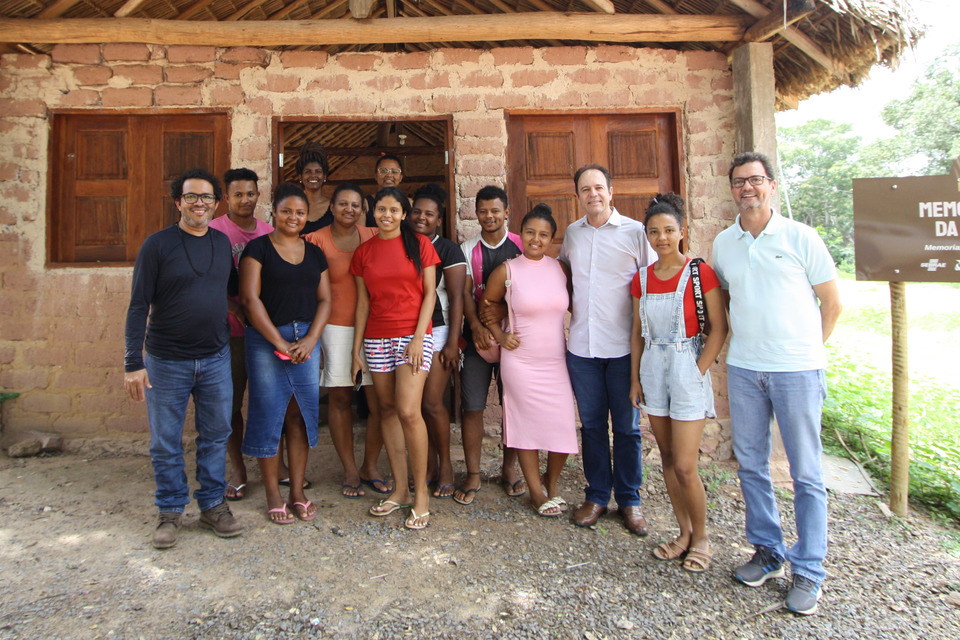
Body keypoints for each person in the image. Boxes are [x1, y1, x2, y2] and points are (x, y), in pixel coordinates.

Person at [714, 152, 841, 615]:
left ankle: (808, 569)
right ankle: (767, 551)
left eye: (755, 180)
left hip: (797, 371)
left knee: (806, 473)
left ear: (771, 185)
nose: (747, 188)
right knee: (752, 466)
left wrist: (806, 351)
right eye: (739, 182)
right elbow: (727, 300)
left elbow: (831, 303)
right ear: (732, 189)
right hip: (746, 369)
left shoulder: (800, 237)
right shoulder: (725, 243)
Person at [124, 168, 243, 549]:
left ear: (215, 204)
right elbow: (138, 305)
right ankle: (170, 511)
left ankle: (212, 504)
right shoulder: (157, 246)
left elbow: (231, 293)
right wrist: (132, 362)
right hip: (166, 360)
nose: (199, 204)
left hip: (214, 357)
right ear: (178, 202)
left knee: (216, 434)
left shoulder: (222, 244)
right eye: (191, 197)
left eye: (207, 198)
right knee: (165, 441)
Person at [629, 193, 728, 572]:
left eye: (669, 230)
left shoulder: (701, 273)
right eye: (654, 232)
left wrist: (698, 370)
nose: (662, 238)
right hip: (653, 368)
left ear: (682, 231)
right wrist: (635, 379)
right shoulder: (641, 279)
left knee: (686, 465)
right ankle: (683, 532)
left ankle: (702, 539)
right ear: (646, 236)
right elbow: (636, 334)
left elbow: (719, 328)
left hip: (687, 366)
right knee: (667, 459)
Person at [560, 164, 655, 535]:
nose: (593, 194)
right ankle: (597, 495)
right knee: (593, 426)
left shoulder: (635, 233)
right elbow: (564, 277)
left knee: (628, 429)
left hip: (624, 349)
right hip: (582, 348)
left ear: (611, 192)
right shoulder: (573, 234)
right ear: (578, 196)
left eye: (599, 187)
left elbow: (652, 283)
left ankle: (630, 501)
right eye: (585, 189)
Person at [239, 182, 332, 524]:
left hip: (306, 339)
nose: (294, 217)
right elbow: (250, 300)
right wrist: (278, 343)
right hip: (267, 340)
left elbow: (325, 300)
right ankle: (273, 493)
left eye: (300, 212)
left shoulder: (314, 252)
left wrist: (310, 339)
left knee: (299, 414)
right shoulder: (257, 250)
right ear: (274, 213)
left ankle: (296, 491)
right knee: (268, 414)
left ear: (307, 217)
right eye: (287, 211)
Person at [351, 187, 440, 530]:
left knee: (407, 410)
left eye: (394, 210)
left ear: (404, 214)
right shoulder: (364, 253)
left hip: (412, 337)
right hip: (376, 338)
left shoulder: (420, 245)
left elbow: (430, 294)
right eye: (381, 209)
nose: (386, 215)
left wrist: (419, 338)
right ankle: (400, 490)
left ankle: (421, 495)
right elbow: (363, 304)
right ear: (374, 212)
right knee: (385, 410)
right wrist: (357, 351)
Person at [481, 204, 577, 517]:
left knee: (562, 425)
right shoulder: (508, 270)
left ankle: (553, 484)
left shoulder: (560, 269)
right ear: (521, 234)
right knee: (525, 427)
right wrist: (499, 332)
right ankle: (537, 493)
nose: (536, 239)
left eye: (544, 234)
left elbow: (576, 303)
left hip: (555, 361)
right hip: (520, 361)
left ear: (552, 238)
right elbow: (487, 303)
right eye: (530, 232)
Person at [303, 183, 391, 499]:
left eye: (355, 205)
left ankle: (370, 465)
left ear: (363, 210)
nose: (349, 210)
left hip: (375, 327)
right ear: (332, 207)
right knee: (340, 399)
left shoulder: (374, 236)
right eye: (343, 204)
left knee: (379, 401)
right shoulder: (314, 240)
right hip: (334, 329)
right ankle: (350, 469)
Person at [453, 185, 525, 506]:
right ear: (475, 213)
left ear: (507, 212)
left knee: (513, 406)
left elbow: (529, 292)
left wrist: (502, 316)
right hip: (477, 339)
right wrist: (479, 326)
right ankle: (473, 473)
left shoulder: (522, 247)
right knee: (472, 407)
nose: (489, 216)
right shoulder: (467, 249)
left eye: (495, 210)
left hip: (514, 340)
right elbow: (465, 294)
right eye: (483, 211)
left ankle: (509, 470)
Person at [209, 168, 273, 502]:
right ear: (226, 197)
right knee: (230, 404)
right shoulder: (213, 232)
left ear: (258, 195)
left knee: (269, 402)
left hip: (264, 334)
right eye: (238, 194)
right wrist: (234, 310)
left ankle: (274, 466)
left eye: (250, 193)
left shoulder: (269, 233)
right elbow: (201, 283)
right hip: (228, 335)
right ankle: (237, 468)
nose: (245, 200)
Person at [410, 184, 466, 498]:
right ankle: (426, 464)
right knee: (413, 405)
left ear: (438, 218)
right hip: (406, 331)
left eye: (428, 214)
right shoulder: (402, 244)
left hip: (439, 331)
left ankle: (445, 465)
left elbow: (457, 297)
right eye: (417, 211)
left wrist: (452, 344)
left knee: (432, 402)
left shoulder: (447, 249)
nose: (421, 217)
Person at [297, 142, 333, 236]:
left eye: (318, 171)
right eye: (308, 171)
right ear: (300, 177)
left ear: (324, 176)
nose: (313, 175)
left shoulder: (333, 207)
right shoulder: (294, 206)